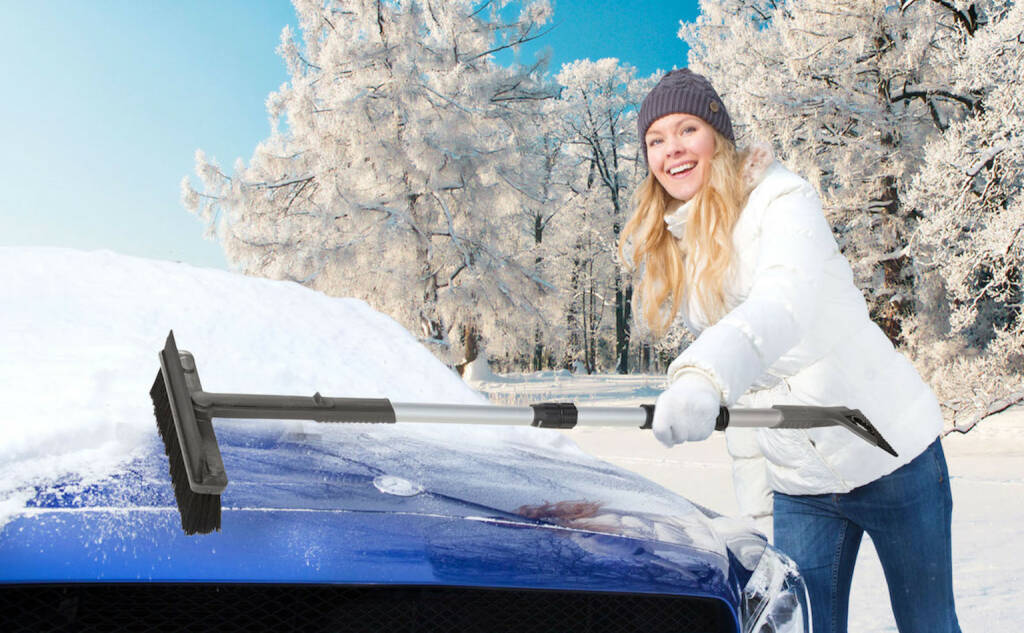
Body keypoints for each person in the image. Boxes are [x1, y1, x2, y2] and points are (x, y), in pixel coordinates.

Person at [620, 69, 961, 633]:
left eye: (687, 130)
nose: (671, 150)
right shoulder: (687, 245)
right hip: (800, 487)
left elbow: (783, 306)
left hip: (891, 454)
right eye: (656, 140)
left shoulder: (782, 199)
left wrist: (704, 374)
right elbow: (754, 392)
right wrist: (759, 506)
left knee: (928, 625)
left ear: (718, 138)